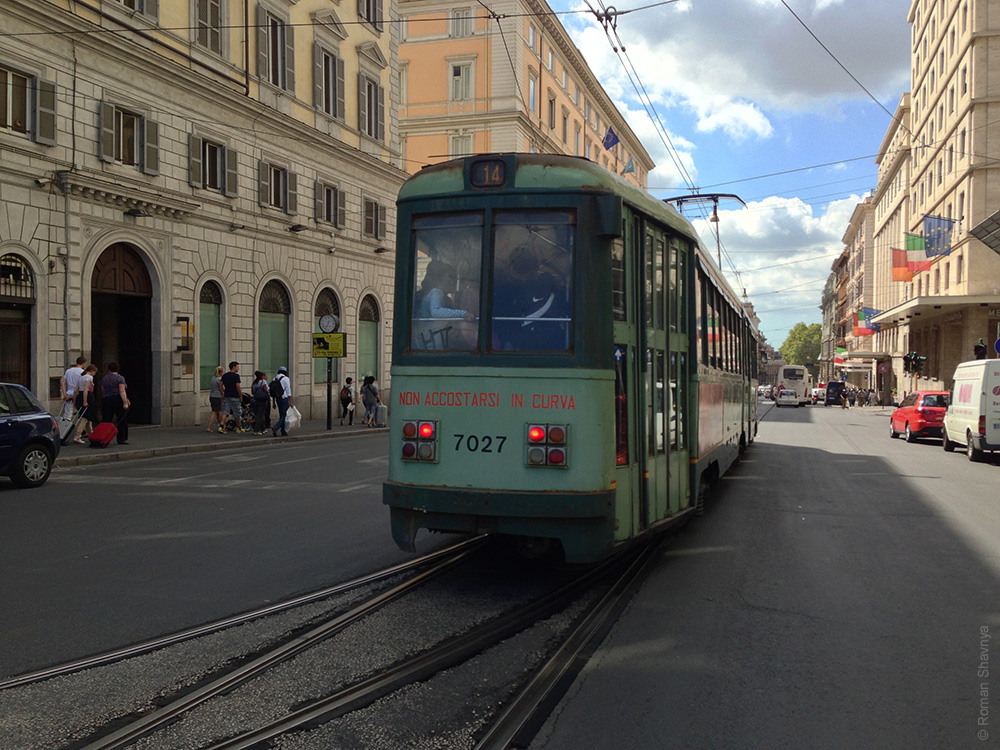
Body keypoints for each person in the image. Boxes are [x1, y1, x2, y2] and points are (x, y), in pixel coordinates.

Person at [100, 362, 130, 445]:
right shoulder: (120, 378)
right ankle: (121, 438)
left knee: (106, 419)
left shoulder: (105, 378)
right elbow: (122, 390)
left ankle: (104, 437)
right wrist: (125, 403)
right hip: (117, 398)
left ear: (109, 369)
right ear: (118, 369)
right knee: (121, 419)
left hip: (106, 399)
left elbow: (102, 390)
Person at [72, 364, 98, 444]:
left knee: (88, 417)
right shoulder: (89, 377)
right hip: (87, 397)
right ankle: (77, 435)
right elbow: (86, 389)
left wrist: (75, 400)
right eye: (95, 372)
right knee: (85, 417)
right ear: (92, 371)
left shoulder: (81, 378)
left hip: (80, 395)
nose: (94, 374)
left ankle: (91, 434)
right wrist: (85, 401)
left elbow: (76, 390)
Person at [219, 361, 245, 433]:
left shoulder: (225, 375)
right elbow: (238, 386)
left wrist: (222, 392)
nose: (238, 368)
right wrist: (240, 395)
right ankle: (239, 427)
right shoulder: (236, 376)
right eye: (237, 367)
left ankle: (221, 426)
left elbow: (220, 385)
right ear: (233, 367)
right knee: (236, 412)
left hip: (227, 395)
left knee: (225, 411)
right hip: (234, 396)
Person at [271, 366, 293, 436]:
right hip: (284, 398)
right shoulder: (286, 379)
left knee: (282, 415)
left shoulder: (275, 378)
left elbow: (274, 391)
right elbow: (288, 390)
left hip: (278, 398)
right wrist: (291, 402)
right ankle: (276, 427)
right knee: (285, 415)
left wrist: (274, 402)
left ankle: (283, 431)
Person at [251, 370, 271, 435]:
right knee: (260, 415)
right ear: (261, 376)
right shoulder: (262, 382)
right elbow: (266, 390)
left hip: (256, 399)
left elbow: (252, 392)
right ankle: (256, 430)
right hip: (263, 400)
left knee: (259, 414)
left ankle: (263, 429)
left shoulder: (254, 383)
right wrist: (267, 394)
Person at [207, 365, 224, 432]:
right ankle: (209, 427)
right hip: (217, 396)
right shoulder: (219, 379)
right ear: (221, 372)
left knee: (218, 412)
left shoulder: (213, 378)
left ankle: (222, 425)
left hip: (212, 396)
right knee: (215, 412)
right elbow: (222, 388)